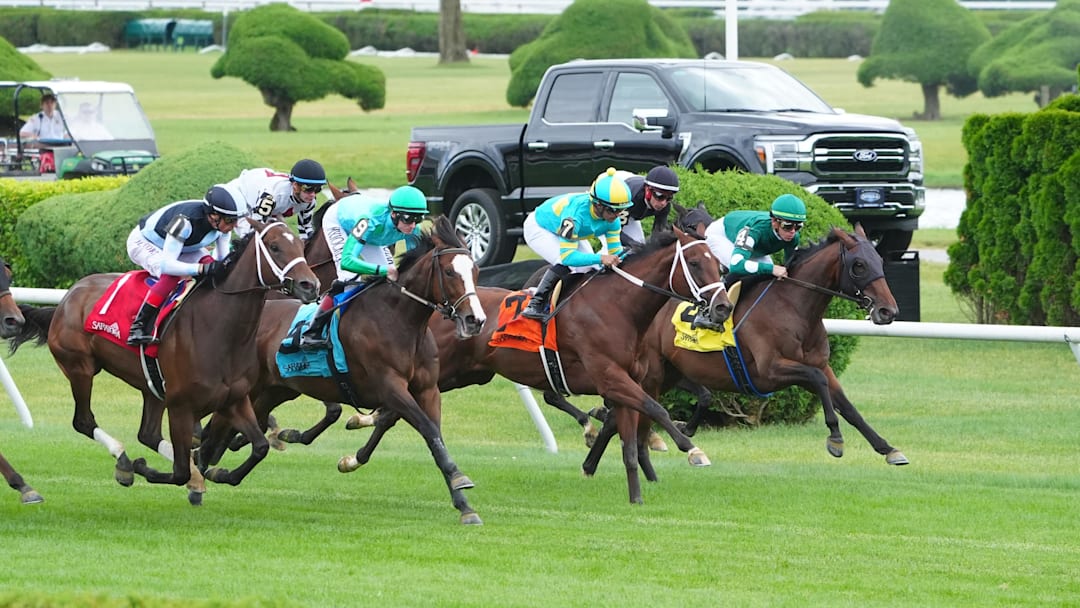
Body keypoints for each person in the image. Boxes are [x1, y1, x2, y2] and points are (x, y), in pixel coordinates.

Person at [296, 185, 428, 350]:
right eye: (408, 218)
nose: (413, 225)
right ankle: (312, 331)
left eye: (419, 219)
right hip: (339, 221)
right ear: (394, 214)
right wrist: (381, 270)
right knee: (349, 277)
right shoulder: (369, 220)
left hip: (373, 235)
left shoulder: (413, 228)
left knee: (392, 278)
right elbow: (347, 261)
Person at [126, 184, 243, 345]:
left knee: (211, 268)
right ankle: (138, 326)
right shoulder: (184, 222)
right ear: (214, 216)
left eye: (236, 220)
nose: (234, 226)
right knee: (171, 277)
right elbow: (167, 265)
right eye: (230, 220)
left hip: (183, 245)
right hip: (145, 242)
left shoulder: (223, 227)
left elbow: (221, 261)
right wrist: (201, 269)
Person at [520, 167, 633, 320]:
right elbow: (568, 257)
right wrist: (601, 258)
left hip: (569, 231)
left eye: (621, 210)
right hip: (540, 227)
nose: (617, 215)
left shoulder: (613, 220)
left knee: (589, 267)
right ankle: (535, 303)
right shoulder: (575, 216)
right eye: (613, 210)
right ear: (598, 205)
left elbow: (615, 252)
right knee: (569, 263)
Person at [703, 193, 807, 281]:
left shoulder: (793, 237)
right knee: (741, 271)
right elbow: (736, 264)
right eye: (787, 226)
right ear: (774, 222)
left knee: (767, 274)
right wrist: (771, 269)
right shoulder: (755, 230)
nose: (792, 232)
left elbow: (789, 266)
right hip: (722, 235)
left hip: (754, 246)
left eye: (798, 226)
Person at [226, 159, 328, 240]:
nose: (313, 194)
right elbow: (256, 226)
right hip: (240, 195)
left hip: (267, 203)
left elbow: (305, 230)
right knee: (248, 236)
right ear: (295, 185)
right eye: (308, 188)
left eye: (318, 189)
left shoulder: (310, 202)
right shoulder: (271, 197)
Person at [615, 165, 680, 246]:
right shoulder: (628, 196)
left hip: (631, 203)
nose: (663, 203)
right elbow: (614, 232)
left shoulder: (665, 205)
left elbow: (658, 235)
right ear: (647, 190)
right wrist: (634, 245)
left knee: (639, 244)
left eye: (669, 198)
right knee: (616, 247)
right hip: (611, 197)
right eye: (660, 195)